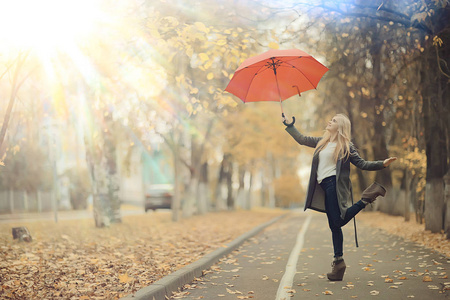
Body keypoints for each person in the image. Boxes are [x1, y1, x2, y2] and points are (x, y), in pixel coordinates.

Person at [283, 114, 397, 281]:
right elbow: (301, 139)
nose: (329, 121)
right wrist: (290, 125)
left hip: (334, 186)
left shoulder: (346, 146)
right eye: (331, 119)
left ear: (341, 127)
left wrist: (382, 163)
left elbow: (362, 164)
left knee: (338, 222)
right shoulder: (322, 142)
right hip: (323, 186)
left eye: (334, 121)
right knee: (334, 226)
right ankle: (338, 264)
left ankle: (366, 198)